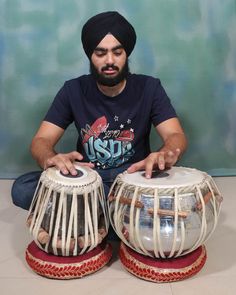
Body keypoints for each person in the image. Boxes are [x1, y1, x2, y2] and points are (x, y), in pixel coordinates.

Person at [11, 11, 187, 212]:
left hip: (134, 177)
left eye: (117, 52)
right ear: (90, 55)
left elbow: (176, 135)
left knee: (174, 197)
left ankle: (92, 213)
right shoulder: (73, 90)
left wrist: (165, 154)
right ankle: (115, 212)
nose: (109, 60)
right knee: (22, 189)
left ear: (126, 53)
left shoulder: (150, 87)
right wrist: (50, 158)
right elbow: (41, 141)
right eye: (101, 53)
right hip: (87, 179)